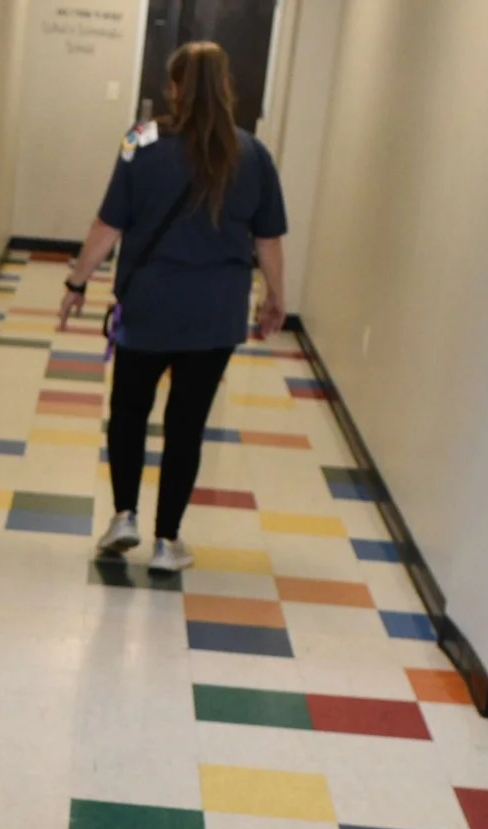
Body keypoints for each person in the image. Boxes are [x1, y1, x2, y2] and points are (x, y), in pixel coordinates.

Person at [56, 40, 289, 573]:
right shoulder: (252, 152)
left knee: (130, 412)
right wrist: (276, 298)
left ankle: (124, 516)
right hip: (216, 315)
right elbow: (269, 239)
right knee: (187, 424)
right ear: (227, 86)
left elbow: (107, 224)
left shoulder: (142, 138)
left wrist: (76, 282)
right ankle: (167, 541)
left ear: (175, 88)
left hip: (148, 305)